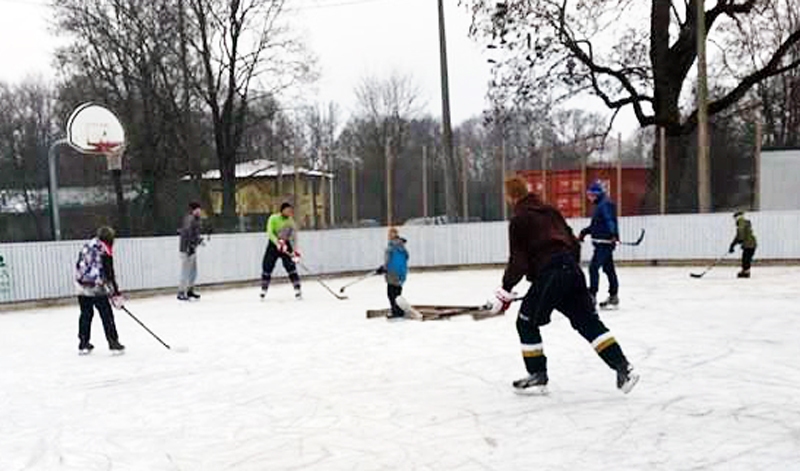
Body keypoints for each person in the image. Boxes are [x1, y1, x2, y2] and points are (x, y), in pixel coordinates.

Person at [487, 177, 638, 395]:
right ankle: (624, 369)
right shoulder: (550, 211)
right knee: (588, 322)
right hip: (571, 271)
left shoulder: (520, 219)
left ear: (510, 196)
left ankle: (538, 375)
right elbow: (573, 243)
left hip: (551, 274)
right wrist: (567, 271)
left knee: (526, 323)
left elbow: (518, 260)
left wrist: (505, 290)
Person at [74, 226, 125, 355]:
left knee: (86, 314)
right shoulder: (105, 249)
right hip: (96, 287)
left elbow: (79, 264)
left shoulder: (88, 245)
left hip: (81, 285)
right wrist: (115, 292)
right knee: (106, 315)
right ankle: (113, 343)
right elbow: (109, 272)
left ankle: (83, 343)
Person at [579, 180, 620, 309]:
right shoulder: (600, 205)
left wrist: (613, 234)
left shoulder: (604, 205)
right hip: (601, 242)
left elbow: (609, 220)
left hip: (605, 243)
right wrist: (585, 232)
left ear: (596, 194)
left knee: (593, 267)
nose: (589, 198)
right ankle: (613, 296)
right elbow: (596, 225)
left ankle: (592, 295)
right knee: (609, 269)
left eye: (590, 195)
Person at [261, 202, 302, 299]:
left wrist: (295, 251)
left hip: (286, 245)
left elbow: (293, 238)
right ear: (282, 210)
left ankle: (297, 289)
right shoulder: (273, 218)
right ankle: (264, 289)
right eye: (288, 210)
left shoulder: (291, 222)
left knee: (290, 266)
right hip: (273, 245)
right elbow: (270, 232)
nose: (289, 212)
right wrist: (277, 243)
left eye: (291, 211)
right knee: (267, 265)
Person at [376, 227, 409, 319]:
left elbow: (388, 260)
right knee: (397, 292)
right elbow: (406, 258)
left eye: (390, 234)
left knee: (391, 293)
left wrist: (383, 268)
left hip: (392, 272)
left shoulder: (391, 247)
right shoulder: (402, 247)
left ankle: (396, 311)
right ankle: (399, 309)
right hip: (401, 272)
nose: (389, 236)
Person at [178, 202, 204, 301]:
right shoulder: (190, 219)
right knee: (185, 271)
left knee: (193, 271)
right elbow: (187, 234)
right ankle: (181, 292)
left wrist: (198, 241)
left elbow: (194, 234)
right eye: (198, 209)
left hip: (192, 248)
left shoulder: (196, 219)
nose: (200, 211)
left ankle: (189, 290)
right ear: (194, 210)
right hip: (187, 249)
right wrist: (189, 247)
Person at [729, 211, 757, 278]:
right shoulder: (741, 223)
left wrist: (739, 240)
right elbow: (738, 235)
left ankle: (746, 271)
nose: (734, 219)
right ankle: (745, 270)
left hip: (749, 243)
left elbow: (741, 233)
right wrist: (732, 245)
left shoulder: (741, 222)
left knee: (746, 258)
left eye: (735, 217)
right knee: (745, 257)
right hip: (750, 243)